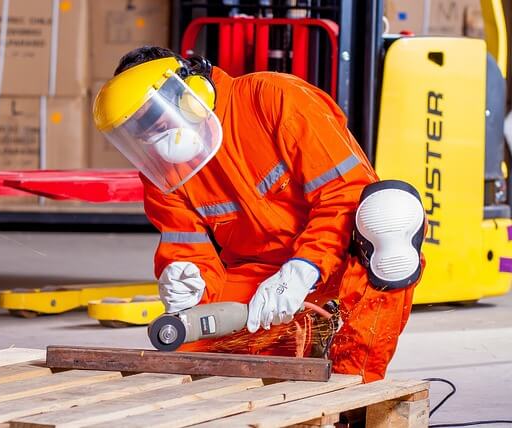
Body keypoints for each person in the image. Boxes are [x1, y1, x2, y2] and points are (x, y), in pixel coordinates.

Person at [93, 46, 426, 382]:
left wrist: (303, 269)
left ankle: (353, 389)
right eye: (138, 130)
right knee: (185, 341)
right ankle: (304, 336)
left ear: (190, 92)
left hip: (338, 260)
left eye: (153, 118)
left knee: (389, 216)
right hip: (261, 278)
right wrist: (185, 280)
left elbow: (345, 195)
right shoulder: (163, 172)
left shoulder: (275, 98)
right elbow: (186, 245)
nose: (151, 137)